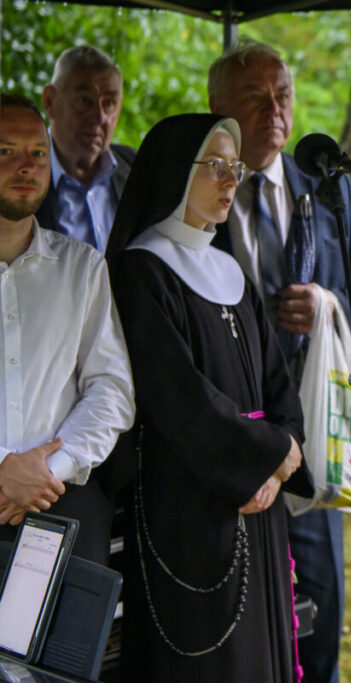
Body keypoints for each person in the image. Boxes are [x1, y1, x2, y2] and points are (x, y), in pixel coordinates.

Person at [207, 39, 351, 683]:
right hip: (224, 435)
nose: (273, 110)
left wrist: (330, 305)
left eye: (282, 94)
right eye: (254, 97)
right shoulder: (196, 194)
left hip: (310, 442)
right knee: (234, 618)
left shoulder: (328, 193)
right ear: (218, 107)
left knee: (323, 607)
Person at [107, 113, 313, 680]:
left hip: (257, 498)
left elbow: (278, 381)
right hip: (189, 499)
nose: (230, 181)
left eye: (235, 168)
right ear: (176, 171)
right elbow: (177, 398)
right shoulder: (141, 271)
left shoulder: (230, 268)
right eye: (214, 166)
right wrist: (265, 455)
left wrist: (284, 446)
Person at [0, 93, 134, 565]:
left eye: (37, 152)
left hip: (64, 508)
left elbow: (112, 389)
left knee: (67, 644)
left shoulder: (82, 267)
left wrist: (46, 472)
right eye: (6, 151)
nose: (26, 166)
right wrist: (2, 469)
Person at [37, 45, 134, 252]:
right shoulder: (19, 171)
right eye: (84, 101)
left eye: (109, 103)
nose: (99, 117)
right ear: (49, 101)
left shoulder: (136, 168)